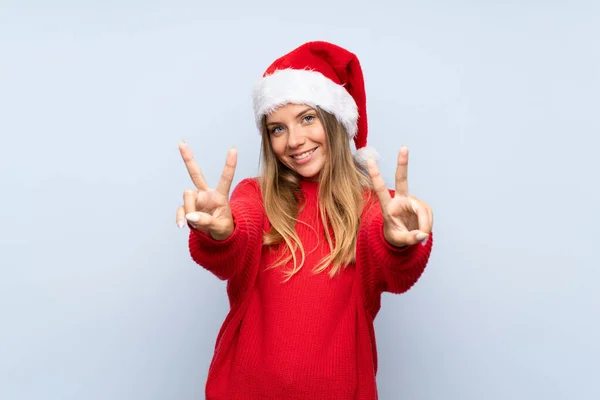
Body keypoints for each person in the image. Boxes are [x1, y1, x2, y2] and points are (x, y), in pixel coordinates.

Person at [175, 41, 434, 400]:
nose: (294, 140)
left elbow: (395, 268)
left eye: (307, 118)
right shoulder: (255, 195)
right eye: (277, 129)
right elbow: (236, 240)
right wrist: (221, 232)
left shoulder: (375, 206)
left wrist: (399, 240)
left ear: (335, 120)